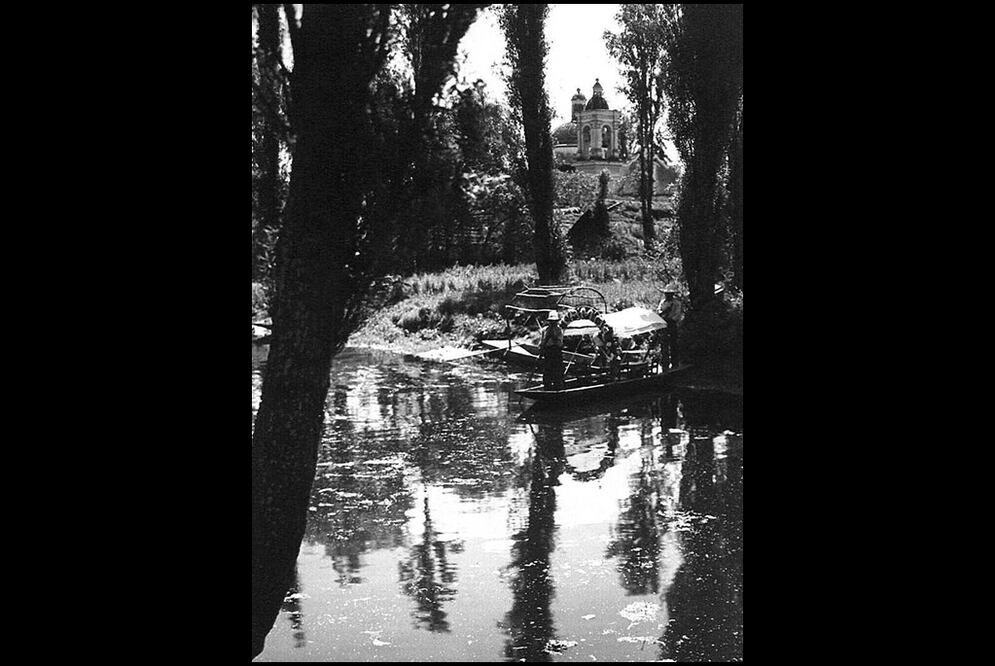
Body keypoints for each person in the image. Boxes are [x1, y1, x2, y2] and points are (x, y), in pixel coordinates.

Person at [657, 284, 684, 369]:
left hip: (672, 325)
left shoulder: (677, 303)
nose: (667, 295)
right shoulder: (662, 302)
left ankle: (674, 363)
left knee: (673, 344)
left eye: (669, 294)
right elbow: (659, 311)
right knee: (664, 345)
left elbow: (677, 315)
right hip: (663, 325)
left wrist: (669, 320)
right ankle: (665, 363)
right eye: (666, 293)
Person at [539, 310, 565, 390]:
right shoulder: (544, 330)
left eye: (554, 322)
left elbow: (560, 344)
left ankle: (558, 388)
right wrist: (541, 352)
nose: (552, 323)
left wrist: (553, 336)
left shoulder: (559, 330)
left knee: (557, 371)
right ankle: (547, 388)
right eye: (551, 321)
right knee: (547, 372)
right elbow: (542, 342)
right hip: (548, 352)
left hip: (556, 352)